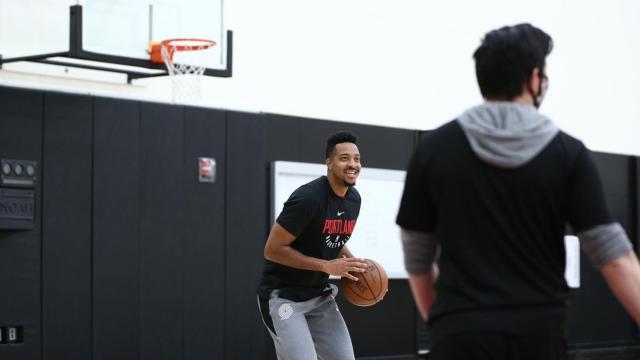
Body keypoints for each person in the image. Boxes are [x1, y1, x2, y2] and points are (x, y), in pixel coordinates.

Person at [396, 23, 640, 360]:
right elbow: (616, 260)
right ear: (534, 78)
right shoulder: (567, 153)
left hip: (458, 335)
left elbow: (417, 261)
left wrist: (447, 325)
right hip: (539, 337)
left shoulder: (433, 149)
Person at [257, 131, 369, 360]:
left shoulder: (354, 199)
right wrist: (327, 266)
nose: (353, 164)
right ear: (329, 163)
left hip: (319, 298)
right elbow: (272, 249)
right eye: (344, 158)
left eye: (357, 159)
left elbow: (332, 238)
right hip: (284, 297)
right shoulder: (308, 198)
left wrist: (352, 263)